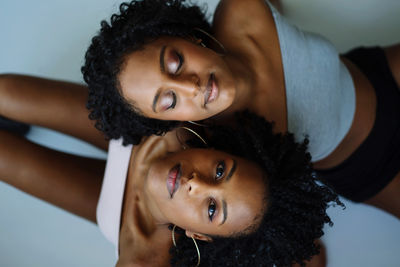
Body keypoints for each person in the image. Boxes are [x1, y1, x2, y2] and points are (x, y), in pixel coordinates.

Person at [82, 0, 400, 218]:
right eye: (169, 101)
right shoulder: (236, 151)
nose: (191, 87)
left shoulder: (241, 10)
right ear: (173, 121)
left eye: (175, 62)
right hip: (374, 168)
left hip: (379, 72)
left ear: (190, 37)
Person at [0, 74, 339, 266]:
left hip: (114, 213)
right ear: (223, 151)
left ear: (200, 236)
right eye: (220, 171)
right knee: (4, 90)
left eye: (211, 208)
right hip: (136, 137)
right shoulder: (190, 120)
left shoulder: (146, 259)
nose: (197, 184)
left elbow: (315, 258)